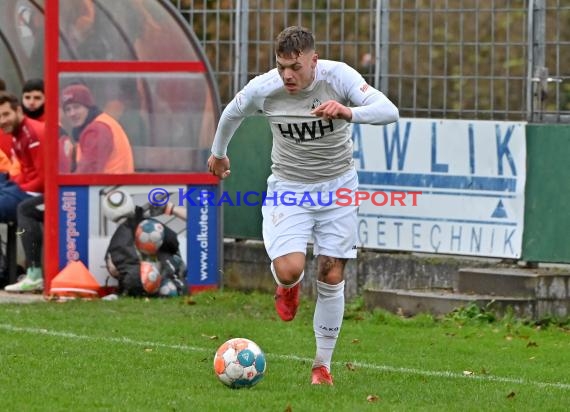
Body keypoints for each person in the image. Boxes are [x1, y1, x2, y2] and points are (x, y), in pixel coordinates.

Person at [207, 26, 399, 385]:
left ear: (314, 60)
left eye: (295, 66)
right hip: (289, 188)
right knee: (291, 268)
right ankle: (287, 285)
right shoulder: (265, 88)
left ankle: (321, 366)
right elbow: (232, 113)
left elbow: (389, 111)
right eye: (282, 67)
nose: (288, 75)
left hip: (338, 187)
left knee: (331, 272)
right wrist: (219, 153)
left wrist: (347, 112)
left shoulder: (338, 76)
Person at [102, 189, 187, 297]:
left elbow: (201, 220)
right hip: (151, 282)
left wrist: (170, 208)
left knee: (168, 288)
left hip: (159, 279)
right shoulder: (124, 237)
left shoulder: (119, 240)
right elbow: (114, 270)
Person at [0, 92, 44, 292]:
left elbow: (43, 180)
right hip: (27, 188)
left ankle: (33, 272)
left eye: (6, 114)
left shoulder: (31, 134)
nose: (2, 121)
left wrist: (17, 188)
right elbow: (26, 173)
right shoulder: (18, 135)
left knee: (23, 209)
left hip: (43, 194)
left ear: (18, 111)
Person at [61, 83, 134, 173]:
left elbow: (88, 172)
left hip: (108, 185)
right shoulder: (101, 123)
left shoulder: (97, 130)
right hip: (114, 185)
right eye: (68, 109)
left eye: (77, 107)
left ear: (88, 107)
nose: (72, 113)